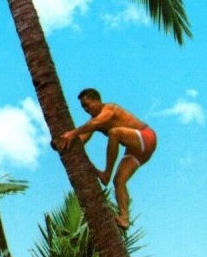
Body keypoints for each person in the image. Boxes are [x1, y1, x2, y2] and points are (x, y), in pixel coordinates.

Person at [58, 88, 157, 230]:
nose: (85, 109)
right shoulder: (94, 122)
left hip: (146, 138)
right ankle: (124, 218)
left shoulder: (109, 108)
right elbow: (81, 140)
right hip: (137, 152)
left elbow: (96, 123)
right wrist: (63, 143)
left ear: (96, 100)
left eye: (87, 104)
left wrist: (72, 133)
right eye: (83, 107)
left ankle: (106, 173)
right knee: (119, 181)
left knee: (114, 132)